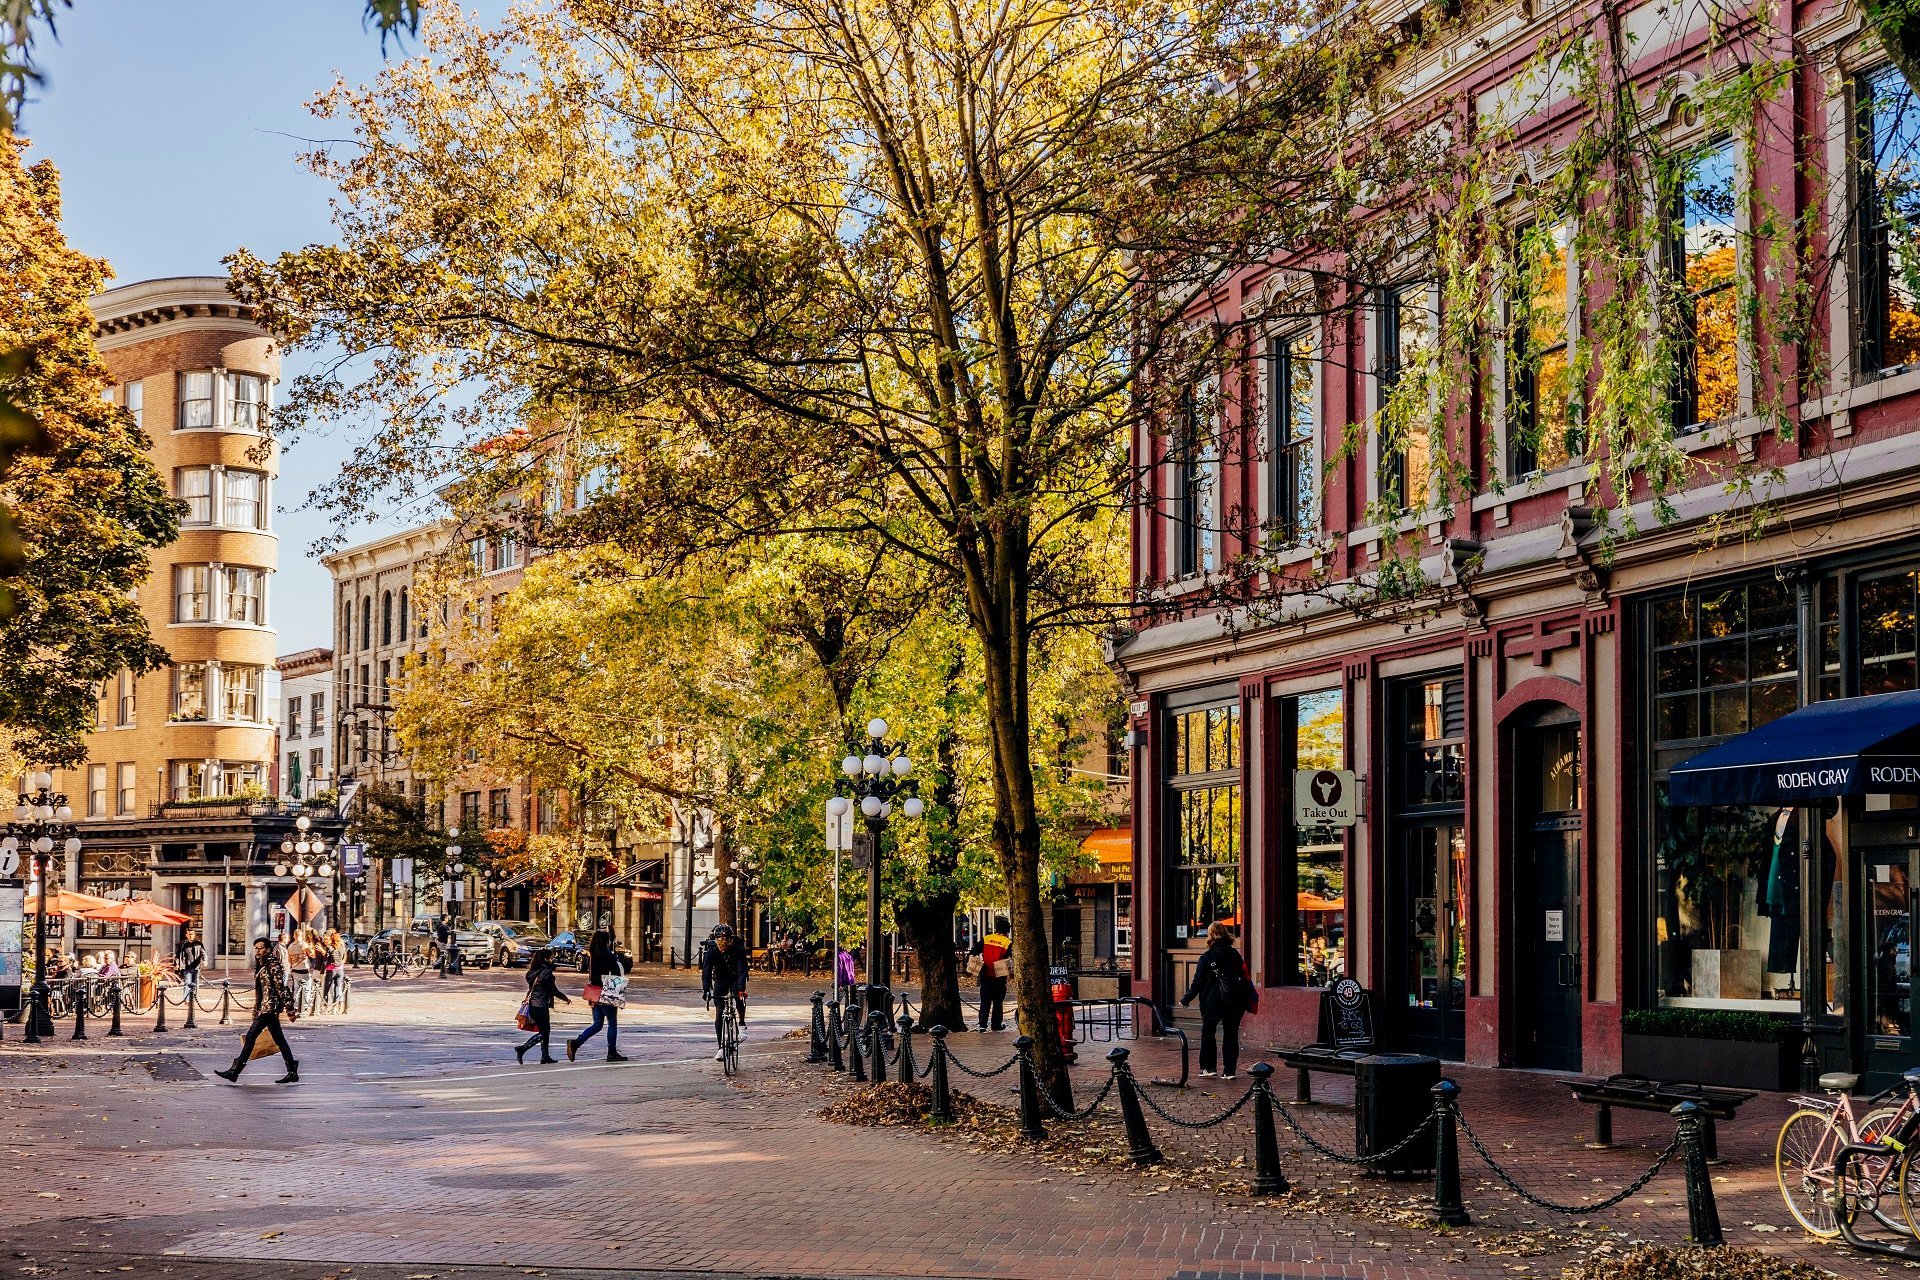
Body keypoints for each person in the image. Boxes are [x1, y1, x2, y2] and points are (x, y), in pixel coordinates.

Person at [216, 937, 298, 1085]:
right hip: (265, 1008)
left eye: (260, 948)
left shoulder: (273, 965)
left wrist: (290, 1008)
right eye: (256, 948)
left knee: (251, 1038)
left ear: (267, 949)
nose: (257, 951)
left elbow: (281, 988)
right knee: (279, 1040)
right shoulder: (262, 965)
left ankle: (235, 1072)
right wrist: (256, 1008)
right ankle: (292, 1071)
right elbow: (260, 991)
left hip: (269, 1008)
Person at [1181, 921, 1251, 1081]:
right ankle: (1229, 1070)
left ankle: (1208, 1067)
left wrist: (1186, 998)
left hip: (1212, 1002)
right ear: (1226, 934)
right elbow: (1245, 977)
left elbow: (1197, 982)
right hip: (1234, 1001)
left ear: (1210, 935)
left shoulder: (1207, 957)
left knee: (1208, 1034)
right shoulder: (1235, 955)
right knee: (1231, 1034)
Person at [566, 930, 629, 1063]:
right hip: (607, 992)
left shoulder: (593, 956)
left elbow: (593, 976)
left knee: (597, 1024)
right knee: (612, 1023)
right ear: (605, 942)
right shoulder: (608, 955)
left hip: (595, 992)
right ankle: (611, 1052)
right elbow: (617, 973)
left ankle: (576, 1043)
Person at [702, 923, 750, 1061]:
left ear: (731, 939)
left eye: (727, 939)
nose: (723, 942)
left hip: (735, 978)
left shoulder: (738, 950)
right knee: (719, 1012)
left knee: (738, 997)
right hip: (720, 980)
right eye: (720, 939)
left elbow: (742, 971)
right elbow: (706, 971)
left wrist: (741, 989)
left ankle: (741, 1023)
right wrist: (706, 989)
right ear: (716, 940)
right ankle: (721, 1048)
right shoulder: (712, 951)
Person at [516, 947, 571, 1064]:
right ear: (546, 959)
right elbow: (553, 990)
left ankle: (545, 1056)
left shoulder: (532, 972)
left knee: (544, 1030)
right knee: (544, 1032)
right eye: (551, 958)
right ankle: (522, 1048)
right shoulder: (546, 973)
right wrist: (565, 998)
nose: (552, 960)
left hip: (532, 1005)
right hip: (541, 1005)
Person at [972, 916, 1012, 1032]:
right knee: (998, 1002)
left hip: (985, 974)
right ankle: (996, 1025)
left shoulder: (987, 938)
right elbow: (1011, 958)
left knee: (985, 1001)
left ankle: (982, 1025)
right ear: (1007, 931)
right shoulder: (1007, 942)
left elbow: (974, 952)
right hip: (999, 975)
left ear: (996, 929)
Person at [177, 930, 206, 1002]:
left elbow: (203, 953)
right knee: (187, 983)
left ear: (194, 935)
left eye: (192, 934)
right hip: (186, 967)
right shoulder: (183, 944)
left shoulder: (199, 944)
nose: (190, 935)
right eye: (189, 934)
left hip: (196, 967)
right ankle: (186, 1000)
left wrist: (205, 960)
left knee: (195, 983)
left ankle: (193, 998)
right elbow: (178, 955)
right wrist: (177, 963)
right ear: (186, 935)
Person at [322, 928, 346, 1007]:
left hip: (331, 970)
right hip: (340, 970)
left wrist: (322, 971)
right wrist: (342, 962)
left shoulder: (329, 947)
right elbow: (344, 955)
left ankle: (325, 1005)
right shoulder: (341, 947)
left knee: (326, 989)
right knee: (337, 988)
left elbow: (325, 960)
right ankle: (335, 1006)